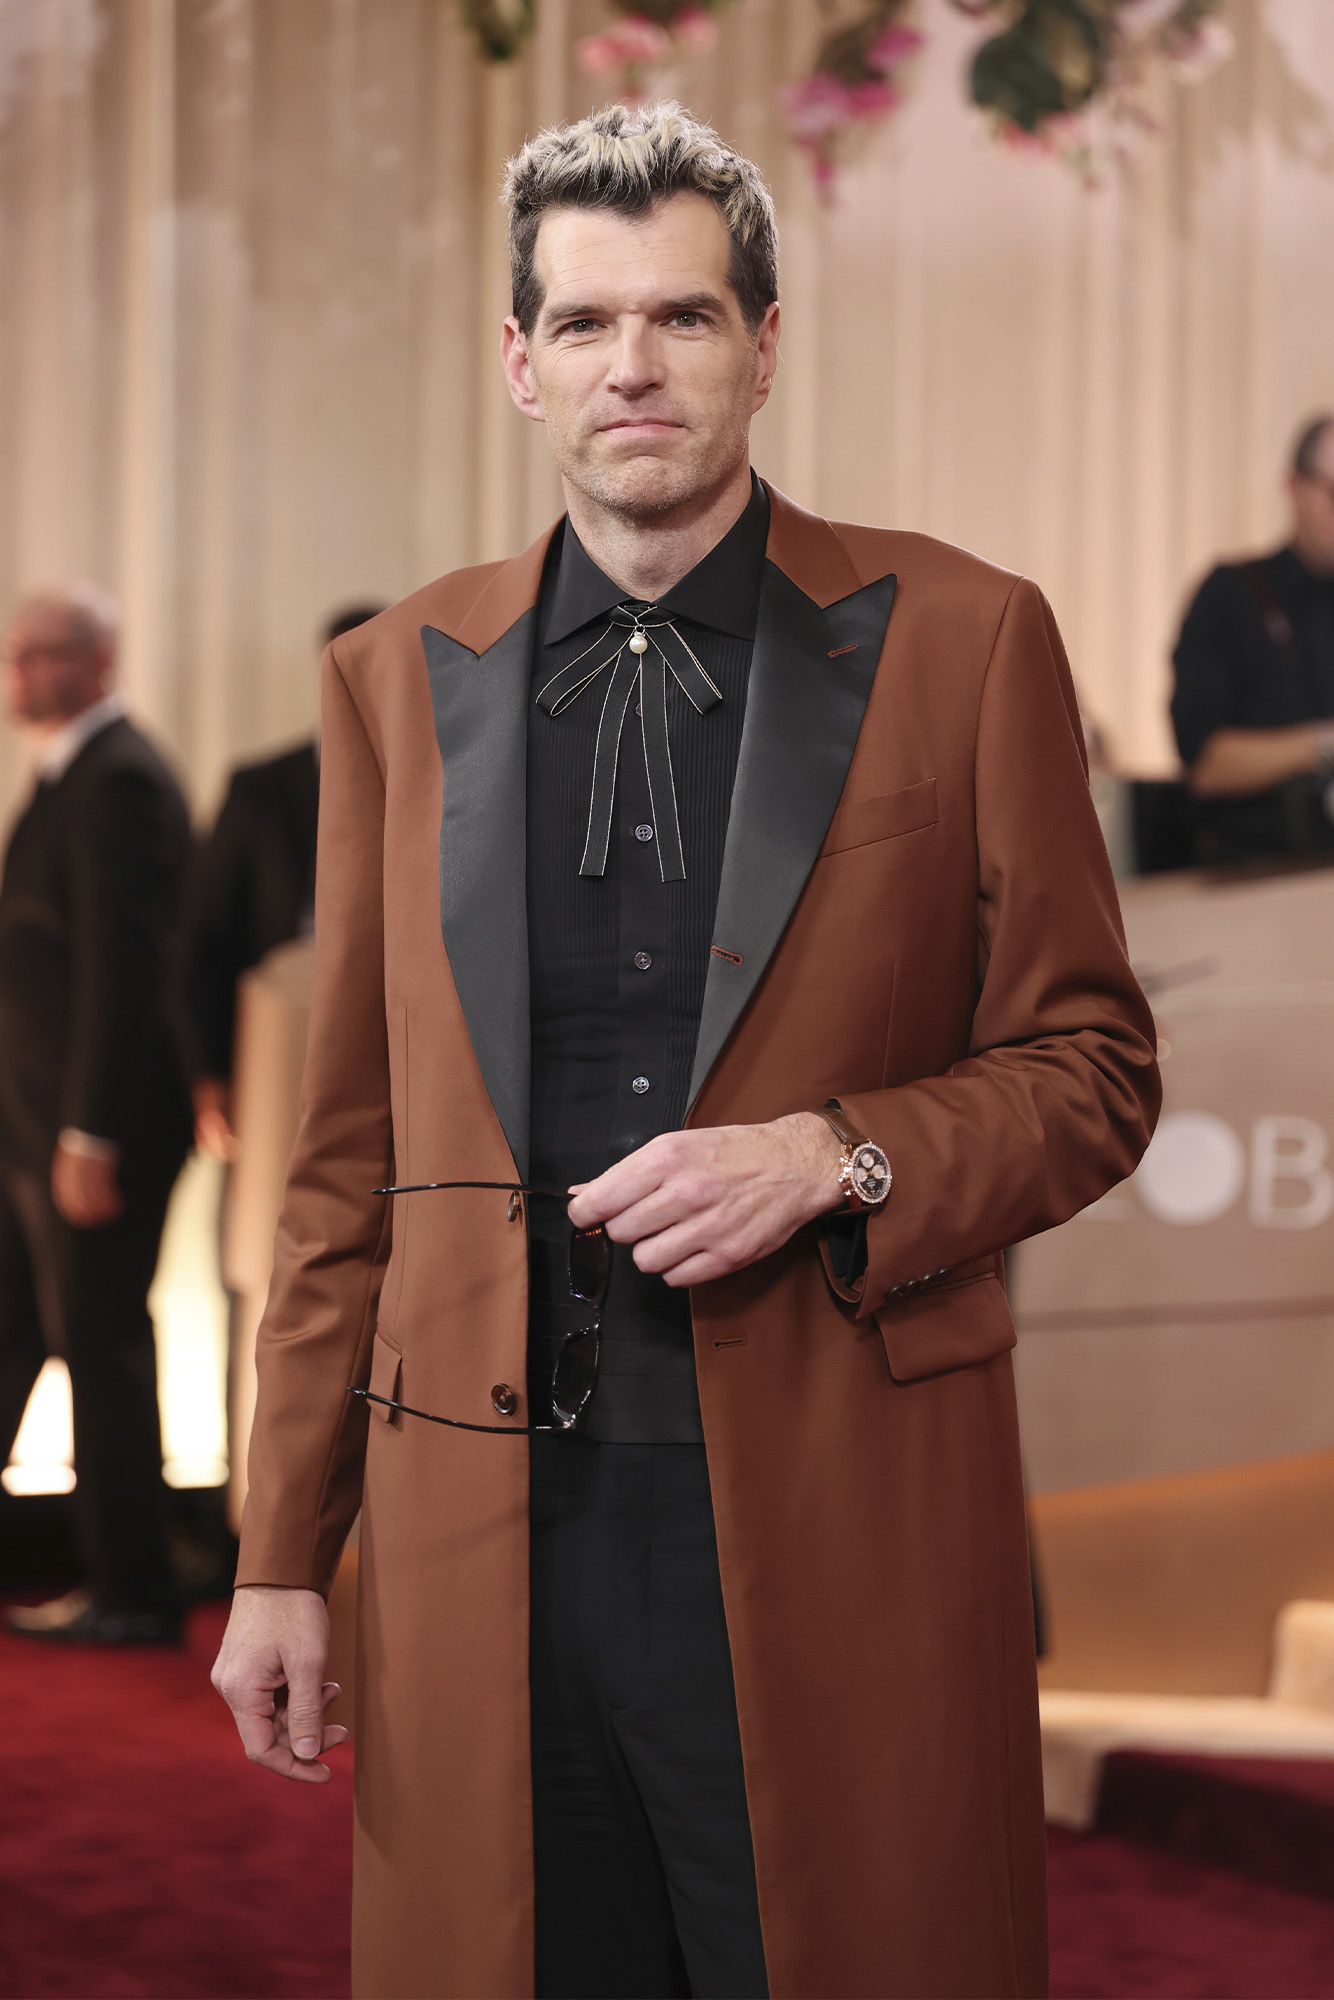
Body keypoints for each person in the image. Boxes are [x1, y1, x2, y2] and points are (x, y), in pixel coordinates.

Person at [213, 102, 1160, 1999]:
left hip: (839, 1510)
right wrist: (276, 1552)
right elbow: (341, 1163)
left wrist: (841, 1152)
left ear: (763, 345)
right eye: (579, 324)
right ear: (515, 362)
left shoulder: (964, 639)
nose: (628, 367)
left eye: (681, 318)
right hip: (483, 1528)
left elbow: (1088, 1067)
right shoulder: (395, 678)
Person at [0, 586, 193, 1644]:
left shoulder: (119, 778)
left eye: (43, 655)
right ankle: (118, 1570)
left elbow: (128, 976)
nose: (20, 672)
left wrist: (90, 1133)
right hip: (33, 1124)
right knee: (20, 1331)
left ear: (101, 660)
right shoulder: (68, 770)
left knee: (104, 1342)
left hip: (88, 1134)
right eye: (14, 654)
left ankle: (136, 1587)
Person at [183, 603, 385, 1160]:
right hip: (274, 1030)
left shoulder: (440, 783)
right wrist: (208, 1076)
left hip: (388, 1034)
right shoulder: (259, 790)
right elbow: (206, 941)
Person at [1173, 412, 1334, 864]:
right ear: (1294, 488)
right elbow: (1205, 763)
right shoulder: (1232, 594)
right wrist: (1322, 745)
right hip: (1253, 878)